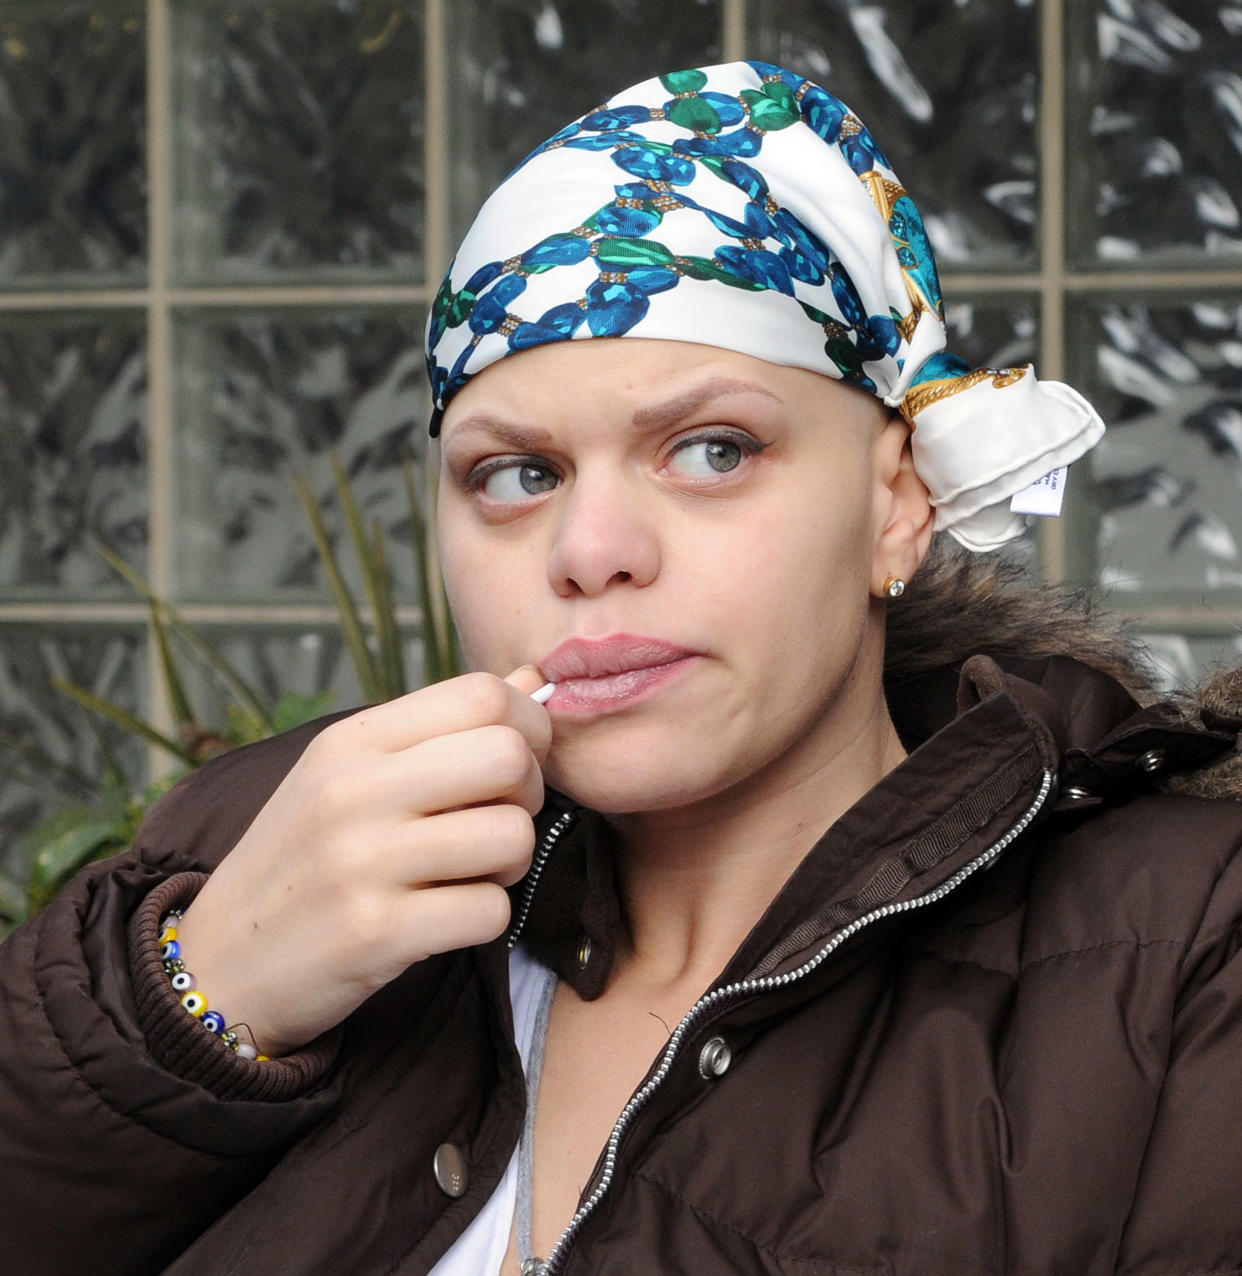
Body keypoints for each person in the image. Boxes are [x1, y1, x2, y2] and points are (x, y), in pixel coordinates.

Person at [2, 60, 1241, 1276]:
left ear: (898, 506)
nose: (590, 553)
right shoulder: (253, 846)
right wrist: (196, 1008)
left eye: (710, 451)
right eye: (517, 475)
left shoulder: (1178, 947)